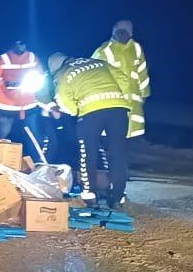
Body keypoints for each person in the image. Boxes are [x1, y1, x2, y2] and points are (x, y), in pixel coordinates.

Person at [45, 52, 139, 207]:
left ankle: (90, 196)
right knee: (118, 154)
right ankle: (117, 197)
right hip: (118, 110)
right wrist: (118, 98)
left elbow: (63, 99)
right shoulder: (98, 63)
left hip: (90, 113)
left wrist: (76, 110)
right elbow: (123, 79)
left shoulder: (63, 73)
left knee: (88, 154)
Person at [93, 19, 150, 138]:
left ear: (130, 33)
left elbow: (142, 73)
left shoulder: (136, 48)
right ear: (114, 33)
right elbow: (93, 76)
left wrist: (145, 94)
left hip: (134, 105)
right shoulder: (104, 51)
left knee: (132, 137)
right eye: (119, 31)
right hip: (112, 103)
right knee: (114, 138)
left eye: (125, 31)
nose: (121, 34)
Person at [0, 39, 44, 140]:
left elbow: (40, 76)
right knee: (4, 131)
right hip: (7, 105)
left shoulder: (32, 58)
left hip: (28, 104)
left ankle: (36, 151)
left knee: (33, 134)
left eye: (22, 44)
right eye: (17, 44)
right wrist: (5, 84)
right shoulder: (3, 59)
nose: (20, 47)